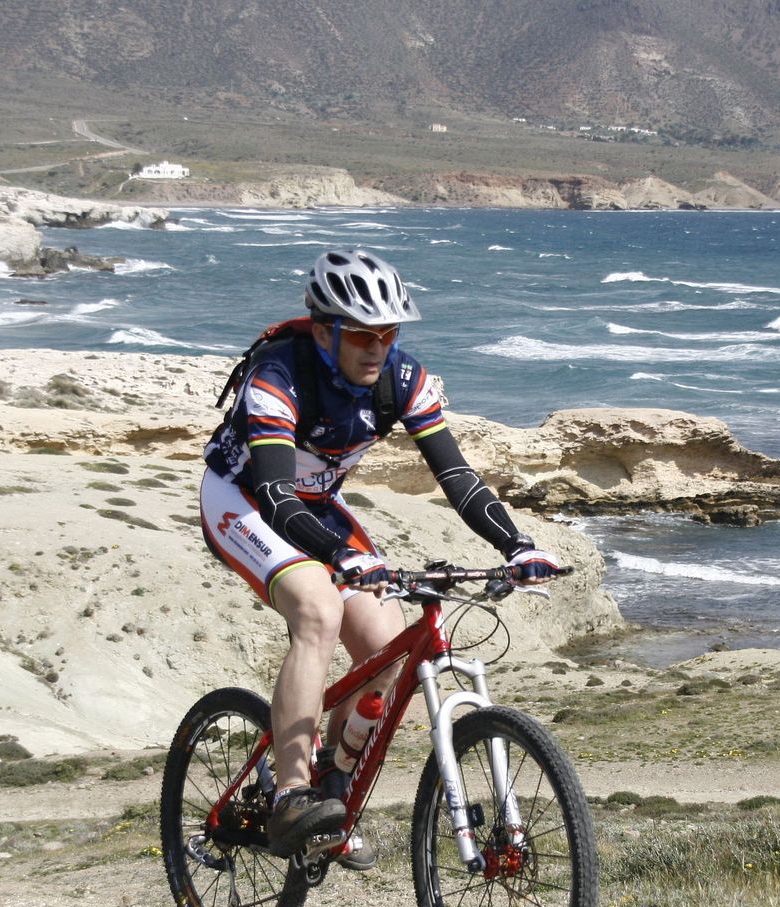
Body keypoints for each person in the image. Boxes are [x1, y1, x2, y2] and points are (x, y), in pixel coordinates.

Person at [200, 249, 560, 867]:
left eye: (389, 334)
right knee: (316, 611)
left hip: (316, 507)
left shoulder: (403, 379)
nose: (378, 348)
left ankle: (334, 787)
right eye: (363, 335)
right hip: (246, 499)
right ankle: (290, 793)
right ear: (322, 331)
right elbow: (278, 494)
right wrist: (343, 556)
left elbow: (457, 477)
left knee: (386, 646)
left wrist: (517, 544)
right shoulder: (277, 378)